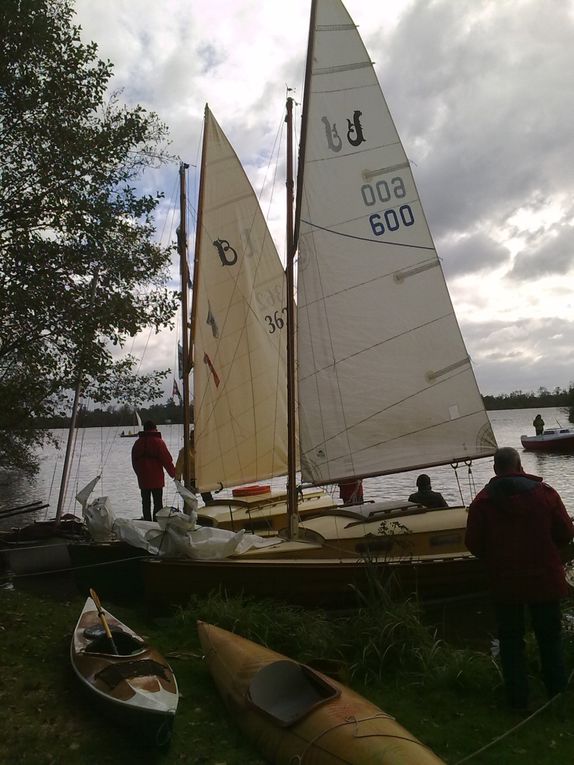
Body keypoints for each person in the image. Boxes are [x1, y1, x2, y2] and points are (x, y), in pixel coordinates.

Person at [465, 446, 574, 712]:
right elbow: (566, 532)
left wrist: (494, 558)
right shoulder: (545, 494)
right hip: (544, 580)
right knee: (550, 639)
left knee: (511, 642)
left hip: (505, 583)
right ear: (520, 466)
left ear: (495, 469)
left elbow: (473, 543)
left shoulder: (482, 502)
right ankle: (557, 696)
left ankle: (518, 701)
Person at [131, 420, 176, 522]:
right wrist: (173, 474)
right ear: (155, 429)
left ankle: (147, 522)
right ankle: (157, 523)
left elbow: (134, 462)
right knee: (158, 502)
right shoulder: (159, 442)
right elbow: (167, 460)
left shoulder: (137, 443)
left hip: (143, 479)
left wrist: (139, 474)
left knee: (145, 502)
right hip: (157, 479)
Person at [175, 429, 213, 504]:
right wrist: (177, 479)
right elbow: (178, 466)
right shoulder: (184, 450)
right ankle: (189, 514)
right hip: (190, 479)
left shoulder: (203, 449)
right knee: (190, 501)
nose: (193, 439)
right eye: (192, 437)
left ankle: (211, 511)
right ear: (190, 437)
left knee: (208, 498)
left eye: (195, 437)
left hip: (202, 478)